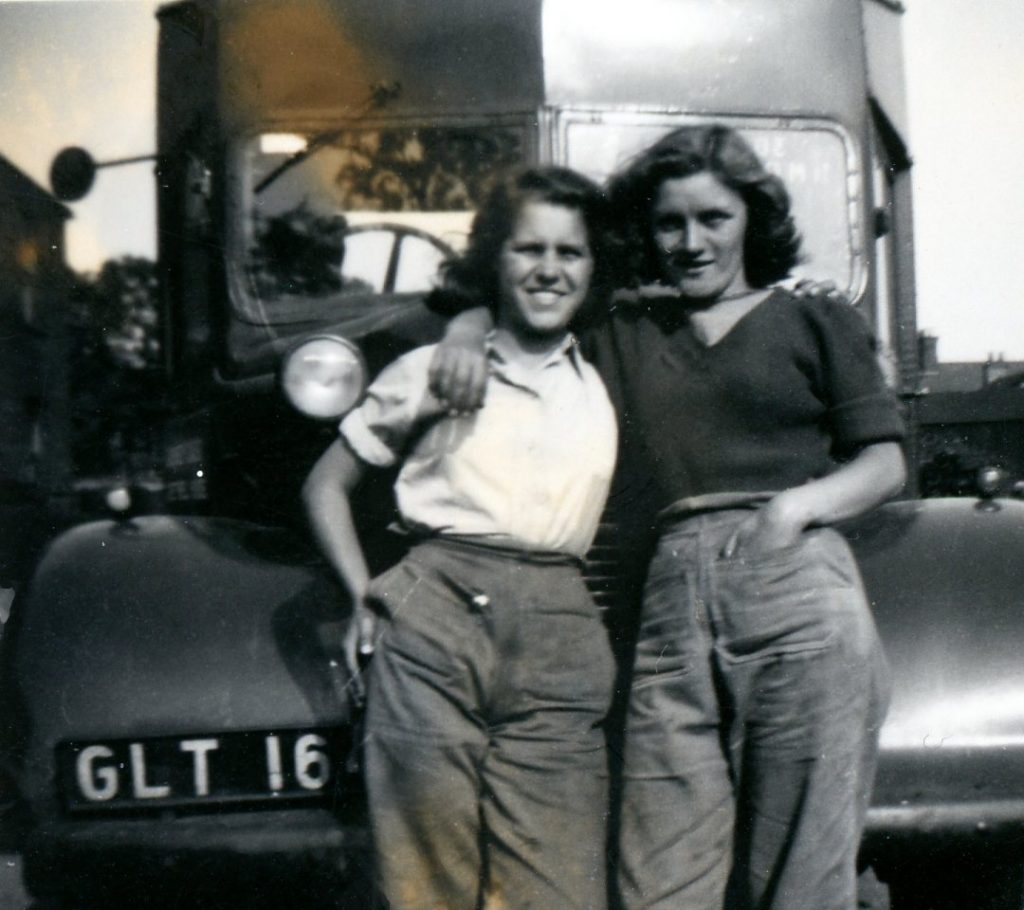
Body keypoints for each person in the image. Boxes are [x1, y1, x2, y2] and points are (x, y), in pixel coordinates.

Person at [428, 125, 906, 910]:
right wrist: (464, 328)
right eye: (670, 223)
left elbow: (884, 463)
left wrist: (792, 512)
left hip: (798, 584)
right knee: (659, 877)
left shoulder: (815, 318)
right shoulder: (624, 328)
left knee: (799, 872)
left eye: (713, 218)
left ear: (751, 218)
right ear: (645, 232)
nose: (692, 241)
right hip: (671, 600)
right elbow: (517, 309)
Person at [303, 166, 619, 910]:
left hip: (561, 627)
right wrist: (362, 597)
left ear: (595, 267)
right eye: (527, 249)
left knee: (560, 888)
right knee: (426, 875)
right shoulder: (433, 370)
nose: (548, 269)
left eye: (570, 253)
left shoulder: (610, 370)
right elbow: (324, 487)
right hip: (433, 614)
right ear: (493, 260)